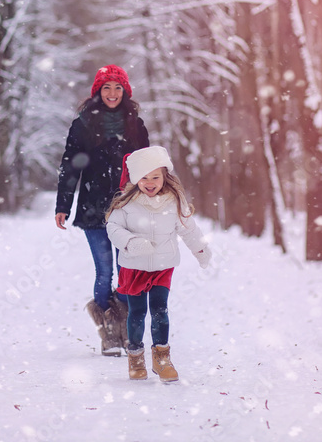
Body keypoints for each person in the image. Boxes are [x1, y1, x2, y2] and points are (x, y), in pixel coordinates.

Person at [56, 65, 149, 356]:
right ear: (98, 91)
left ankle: (121, 325)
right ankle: (109, 332)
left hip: (127, 208)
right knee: (104, 271)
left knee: (126, 272)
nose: (112, 93)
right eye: (106, 88)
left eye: (117, 88)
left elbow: (149, 168)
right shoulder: (82, 124)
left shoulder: (136, 124)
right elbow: (70, 166)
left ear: (125, 92)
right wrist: (63, 205)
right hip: (93, 208)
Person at [105, 145, 212, 382]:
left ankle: (162, 359)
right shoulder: (126, 203)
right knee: (137, 312)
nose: (150, 182)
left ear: (165, 176)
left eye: (155, 177)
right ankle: (135, 356)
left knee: (160, 310)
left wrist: (201, 249)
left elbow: (189, 229)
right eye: (144, 177)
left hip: (163, 266)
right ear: (135, 179)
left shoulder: (174, 201)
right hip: (134, 267)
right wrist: (131, 242)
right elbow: (113, 228)